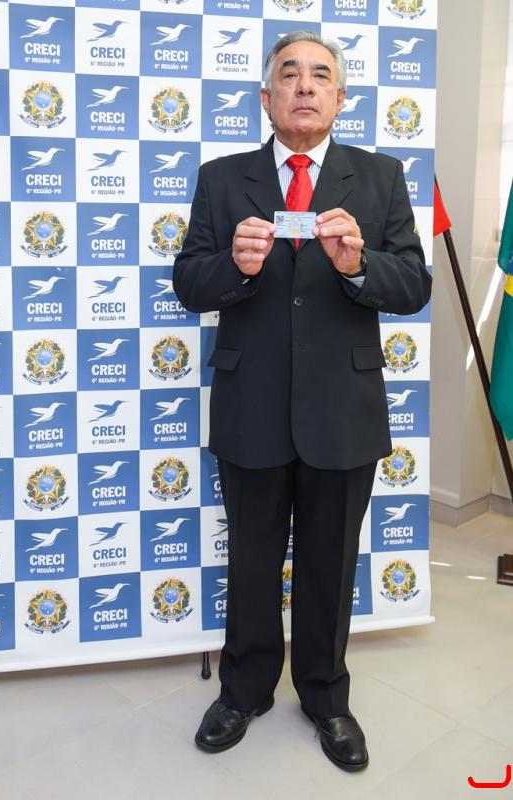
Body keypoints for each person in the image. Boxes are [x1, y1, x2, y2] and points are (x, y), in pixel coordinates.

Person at [173, 30, 431, 771]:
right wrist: (235, 265)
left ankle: (325, 697)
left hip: (342, 408)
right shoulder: (222, 179)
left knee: (330, 561)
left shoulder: (379, 177)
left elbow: (413, 284)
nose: (305, 86)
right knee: (252, 559)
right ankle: (244, 690)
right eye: (290, 74)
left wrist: (358, 264)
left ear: (341, 99)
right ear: (267, 97)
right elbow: (188, 282)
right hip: (250, 403)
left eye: (321, 75)